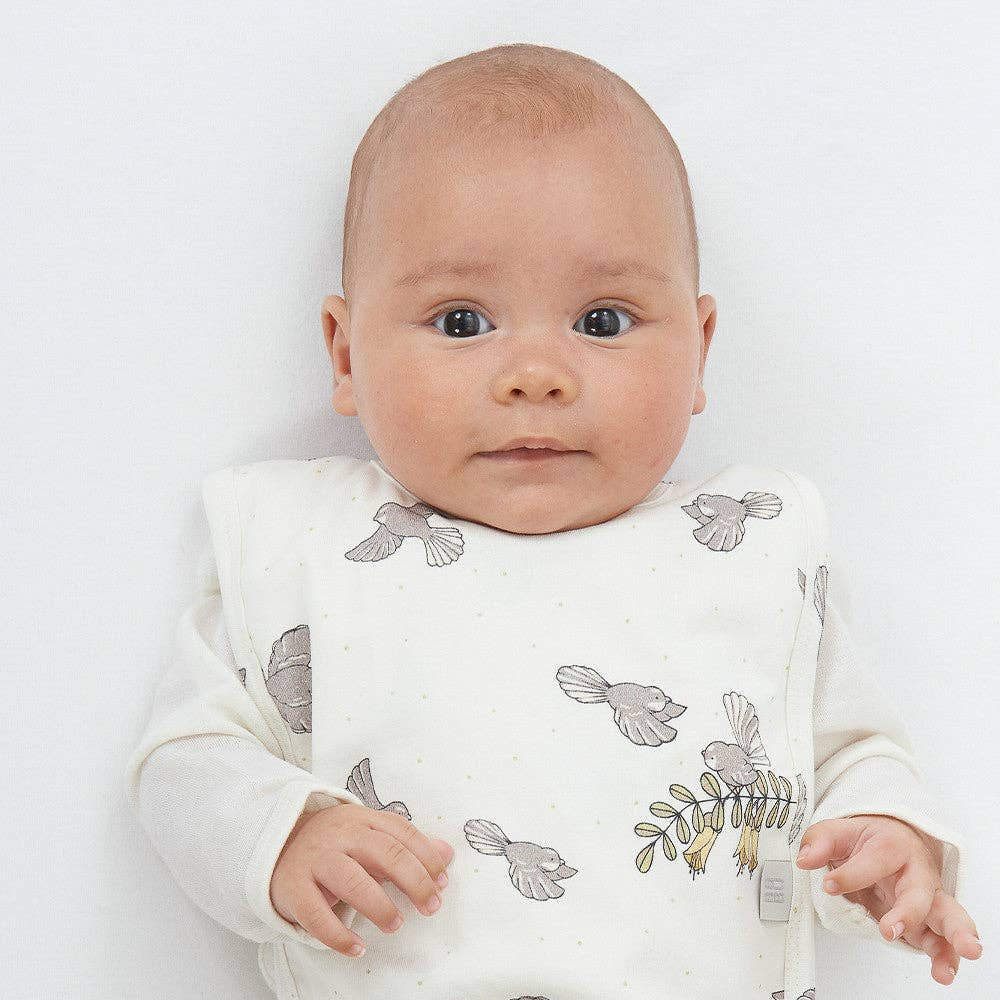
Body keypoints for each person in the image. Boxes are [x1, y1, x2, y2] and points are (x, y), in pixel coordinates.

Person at [123, 42, 982, 1000]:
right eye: (461, 322)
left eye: (603, 321)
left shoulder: (746, 551)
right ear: (346, 353)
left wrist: (888, 838)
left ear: (698, 352)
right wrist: (280, 832)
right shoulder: (299, 546)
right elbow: (187, 760)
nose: (536, 373)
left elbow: (851, 749)